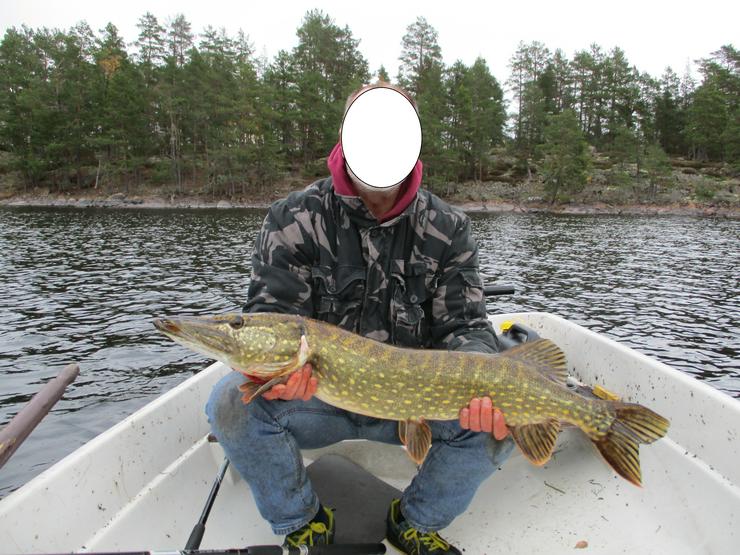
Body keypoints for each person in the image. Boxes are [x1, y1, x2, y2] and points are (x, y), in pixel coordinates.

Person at [206, 82, 513, 555]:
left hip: (417, 405)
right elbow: (272, 318)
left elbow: (465, 327)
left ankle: (414, 520)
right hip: (317, 401)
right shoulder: (294, 219)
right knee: (230, 402)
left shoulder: (449, 228)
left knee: (504, 421)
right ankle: (300, 520)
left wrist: (479, 379)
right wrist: (275, 373)